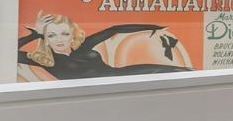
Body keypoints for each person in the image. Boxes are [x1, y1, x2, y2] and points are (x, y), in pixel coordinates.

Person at [18, 12, 192, 80]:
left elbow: (114, 29)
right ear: (46, 39)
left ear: (72, 35)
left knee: (178, 71)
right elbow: (6, 52)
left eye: (64, 33)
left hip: (122, 76)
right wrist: (35, 34)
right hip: (103, 92)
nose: (59, 39)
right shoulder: (44, 60)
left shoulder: (82, 46)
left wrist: (154, 27)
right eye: (51, 35)